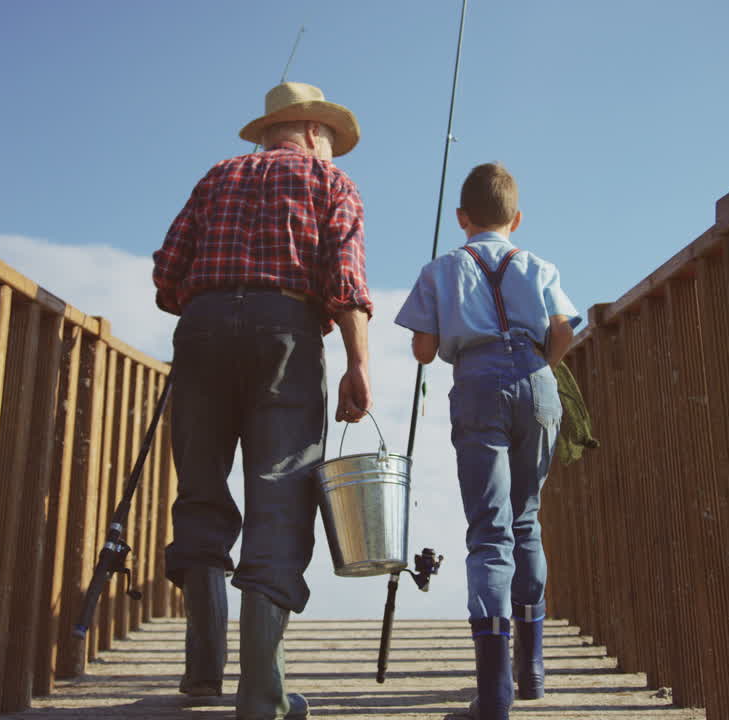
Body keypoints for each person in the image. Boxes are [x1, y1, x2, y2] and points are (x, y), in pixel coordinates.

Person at [152, 80, 373, 720]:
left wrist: (212, 307)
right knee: (280, 493)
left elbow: (168, 274)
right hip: (288, 334)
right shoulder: (331, 184)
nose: (332, 152)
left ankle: (200, 674)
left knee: (199, 486)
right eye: (331, 139)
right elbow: (346, 283)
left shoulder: (217, 176)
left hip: (201, 330)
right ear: (309, 131)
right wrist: (358, 363)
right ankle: (261, 696)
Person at [394, 162, 580, 720]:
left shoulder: (442, 269)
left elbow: (424, 350)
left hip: (476, 384)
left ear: (461, 218)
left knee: (489, 530)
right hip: (535, 379)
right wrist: (536, 366)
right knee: (527, 519)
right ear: (516, 218)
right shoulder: (537, 264)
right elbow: (565, 328)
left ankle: (494, 695)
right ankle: (533, 673)